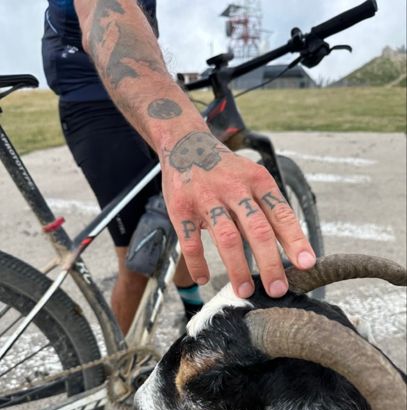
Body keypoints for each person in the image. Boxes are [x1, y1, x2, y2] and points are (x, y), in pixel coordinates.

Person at [43, 0, 317, 334]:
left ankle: (191, 307)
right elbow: (105, 12)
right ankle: (118, 364)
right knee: (138, 258)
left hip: (129, 89)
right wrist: (185, 140)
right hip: (95, 103)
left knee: (178, 214)